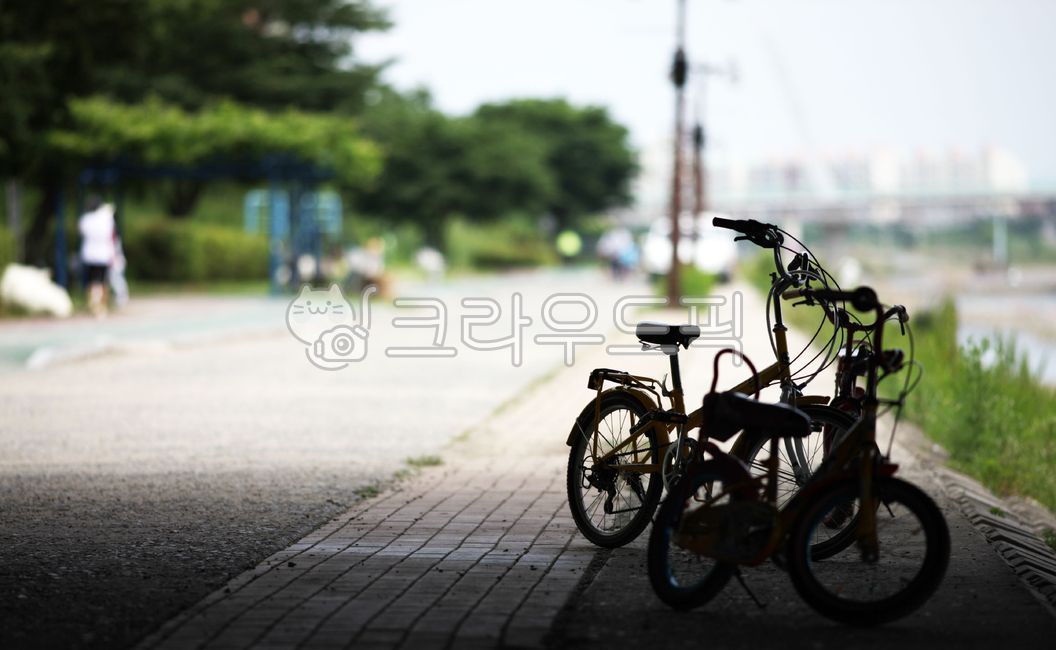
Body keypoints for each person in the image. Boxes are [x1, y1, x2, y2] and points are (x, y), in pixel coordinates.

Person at [78, 198, 116, 317]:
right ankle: (101, 306)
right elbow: (111, 234)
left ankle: (93, 303)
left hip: (89, 255)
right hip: (103, 255)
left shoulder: (85, 219)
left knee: (91, 281)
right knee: (102, 281)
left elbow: (81, 231)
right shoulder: (107, 218)